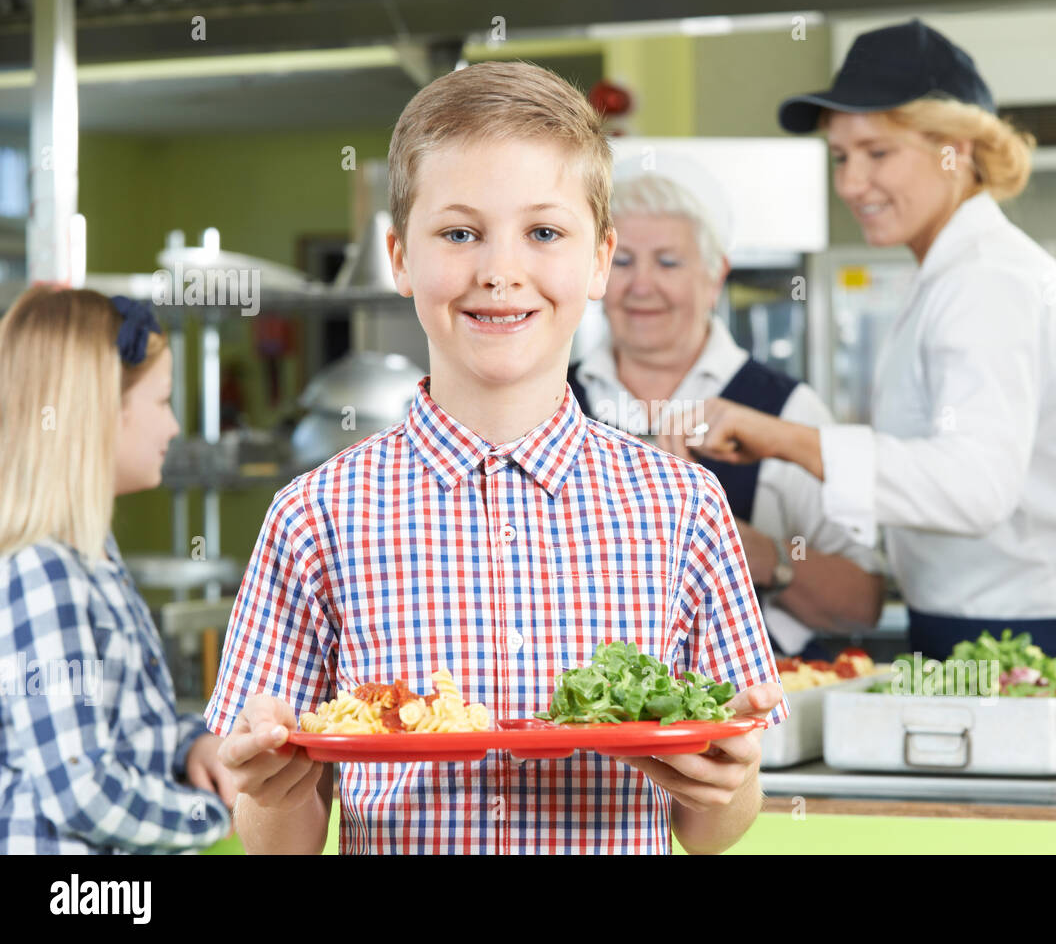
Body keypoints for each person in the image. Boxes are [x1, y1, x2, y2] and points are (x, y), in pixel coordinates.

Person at [205, 61, 788, 855]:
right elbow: (281, 839)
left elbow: (713, 827)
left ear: (597, 261)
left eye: (544, 232)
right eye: (458, 232)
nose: (499, 271)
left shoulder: (683, 506)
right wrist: (272, 788)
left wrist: (729, 784)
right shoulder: (315, 515)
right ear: (401, 258)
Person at [678, 19, 1056, 670]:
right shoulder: (954, 272)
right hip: (1000, 635)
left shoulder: (987, 278)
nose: (850, 184)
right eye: (842, 157)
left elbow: (974, 486)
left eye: (877, 152)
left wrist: (784, 439)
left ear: (957, 148)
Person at [567, 161, 884, 658]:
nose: (641, 286)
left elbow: (862, 604)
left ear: (716, 277)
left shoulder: (788, 411)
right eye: (623, 262)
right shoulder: (550, 401)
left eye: (668, 262)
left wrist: (767, 557)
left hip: (752, 710)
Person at [0, 286, 235, 853]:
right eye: (161, 402)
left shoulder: (90, 555)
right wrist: (216, 818)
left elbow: (126, 728)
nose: (174, 427)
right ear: (100, 410)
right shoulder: (42, 570)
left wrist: (190, 747)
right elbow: (80, 788)